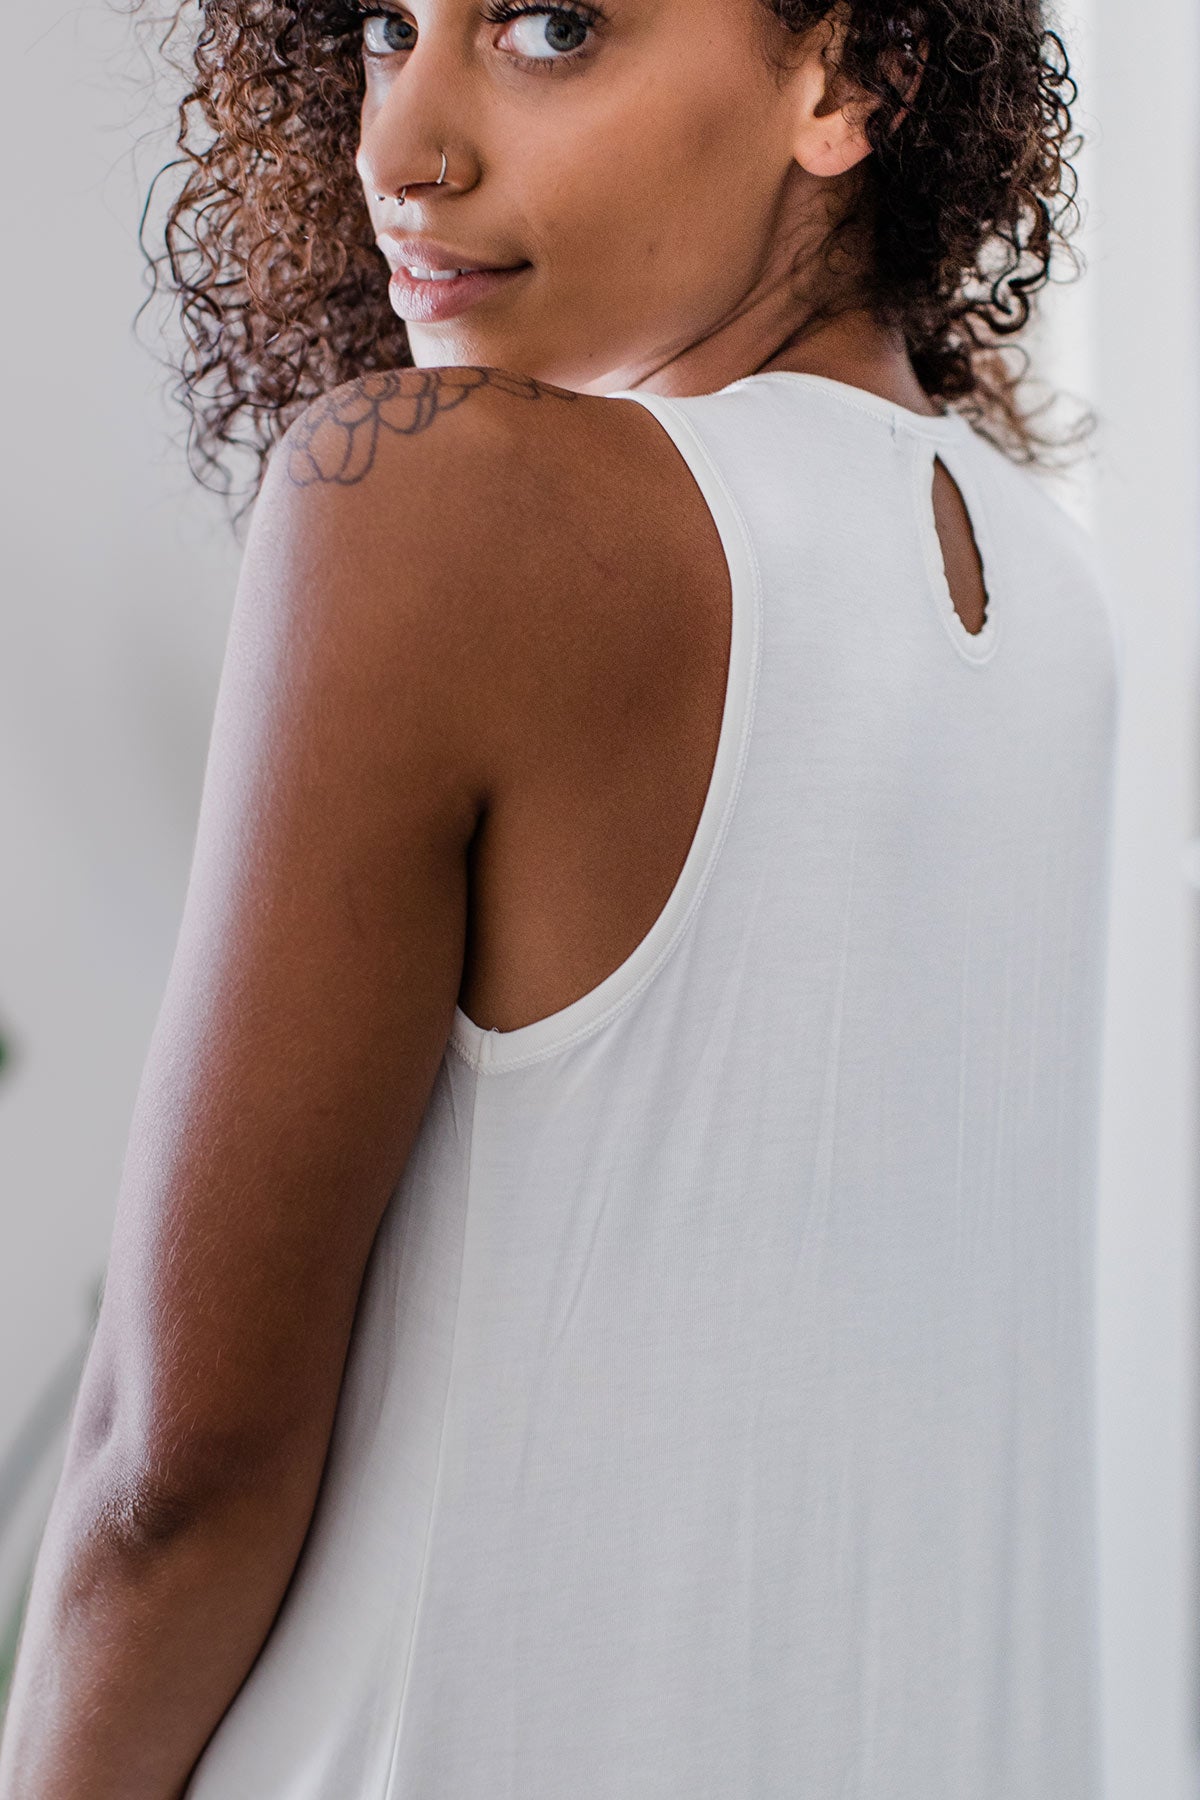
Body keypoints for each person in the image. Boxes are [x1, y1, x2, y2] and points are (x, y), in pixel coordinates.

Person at [0, 0, 1123, 1795]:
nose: (399, 146)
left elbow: (172, 1479)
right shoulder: (1055, 599)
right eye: (387, 26)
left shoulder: (439, 500)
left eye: (546, 27)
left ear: (850, 77)